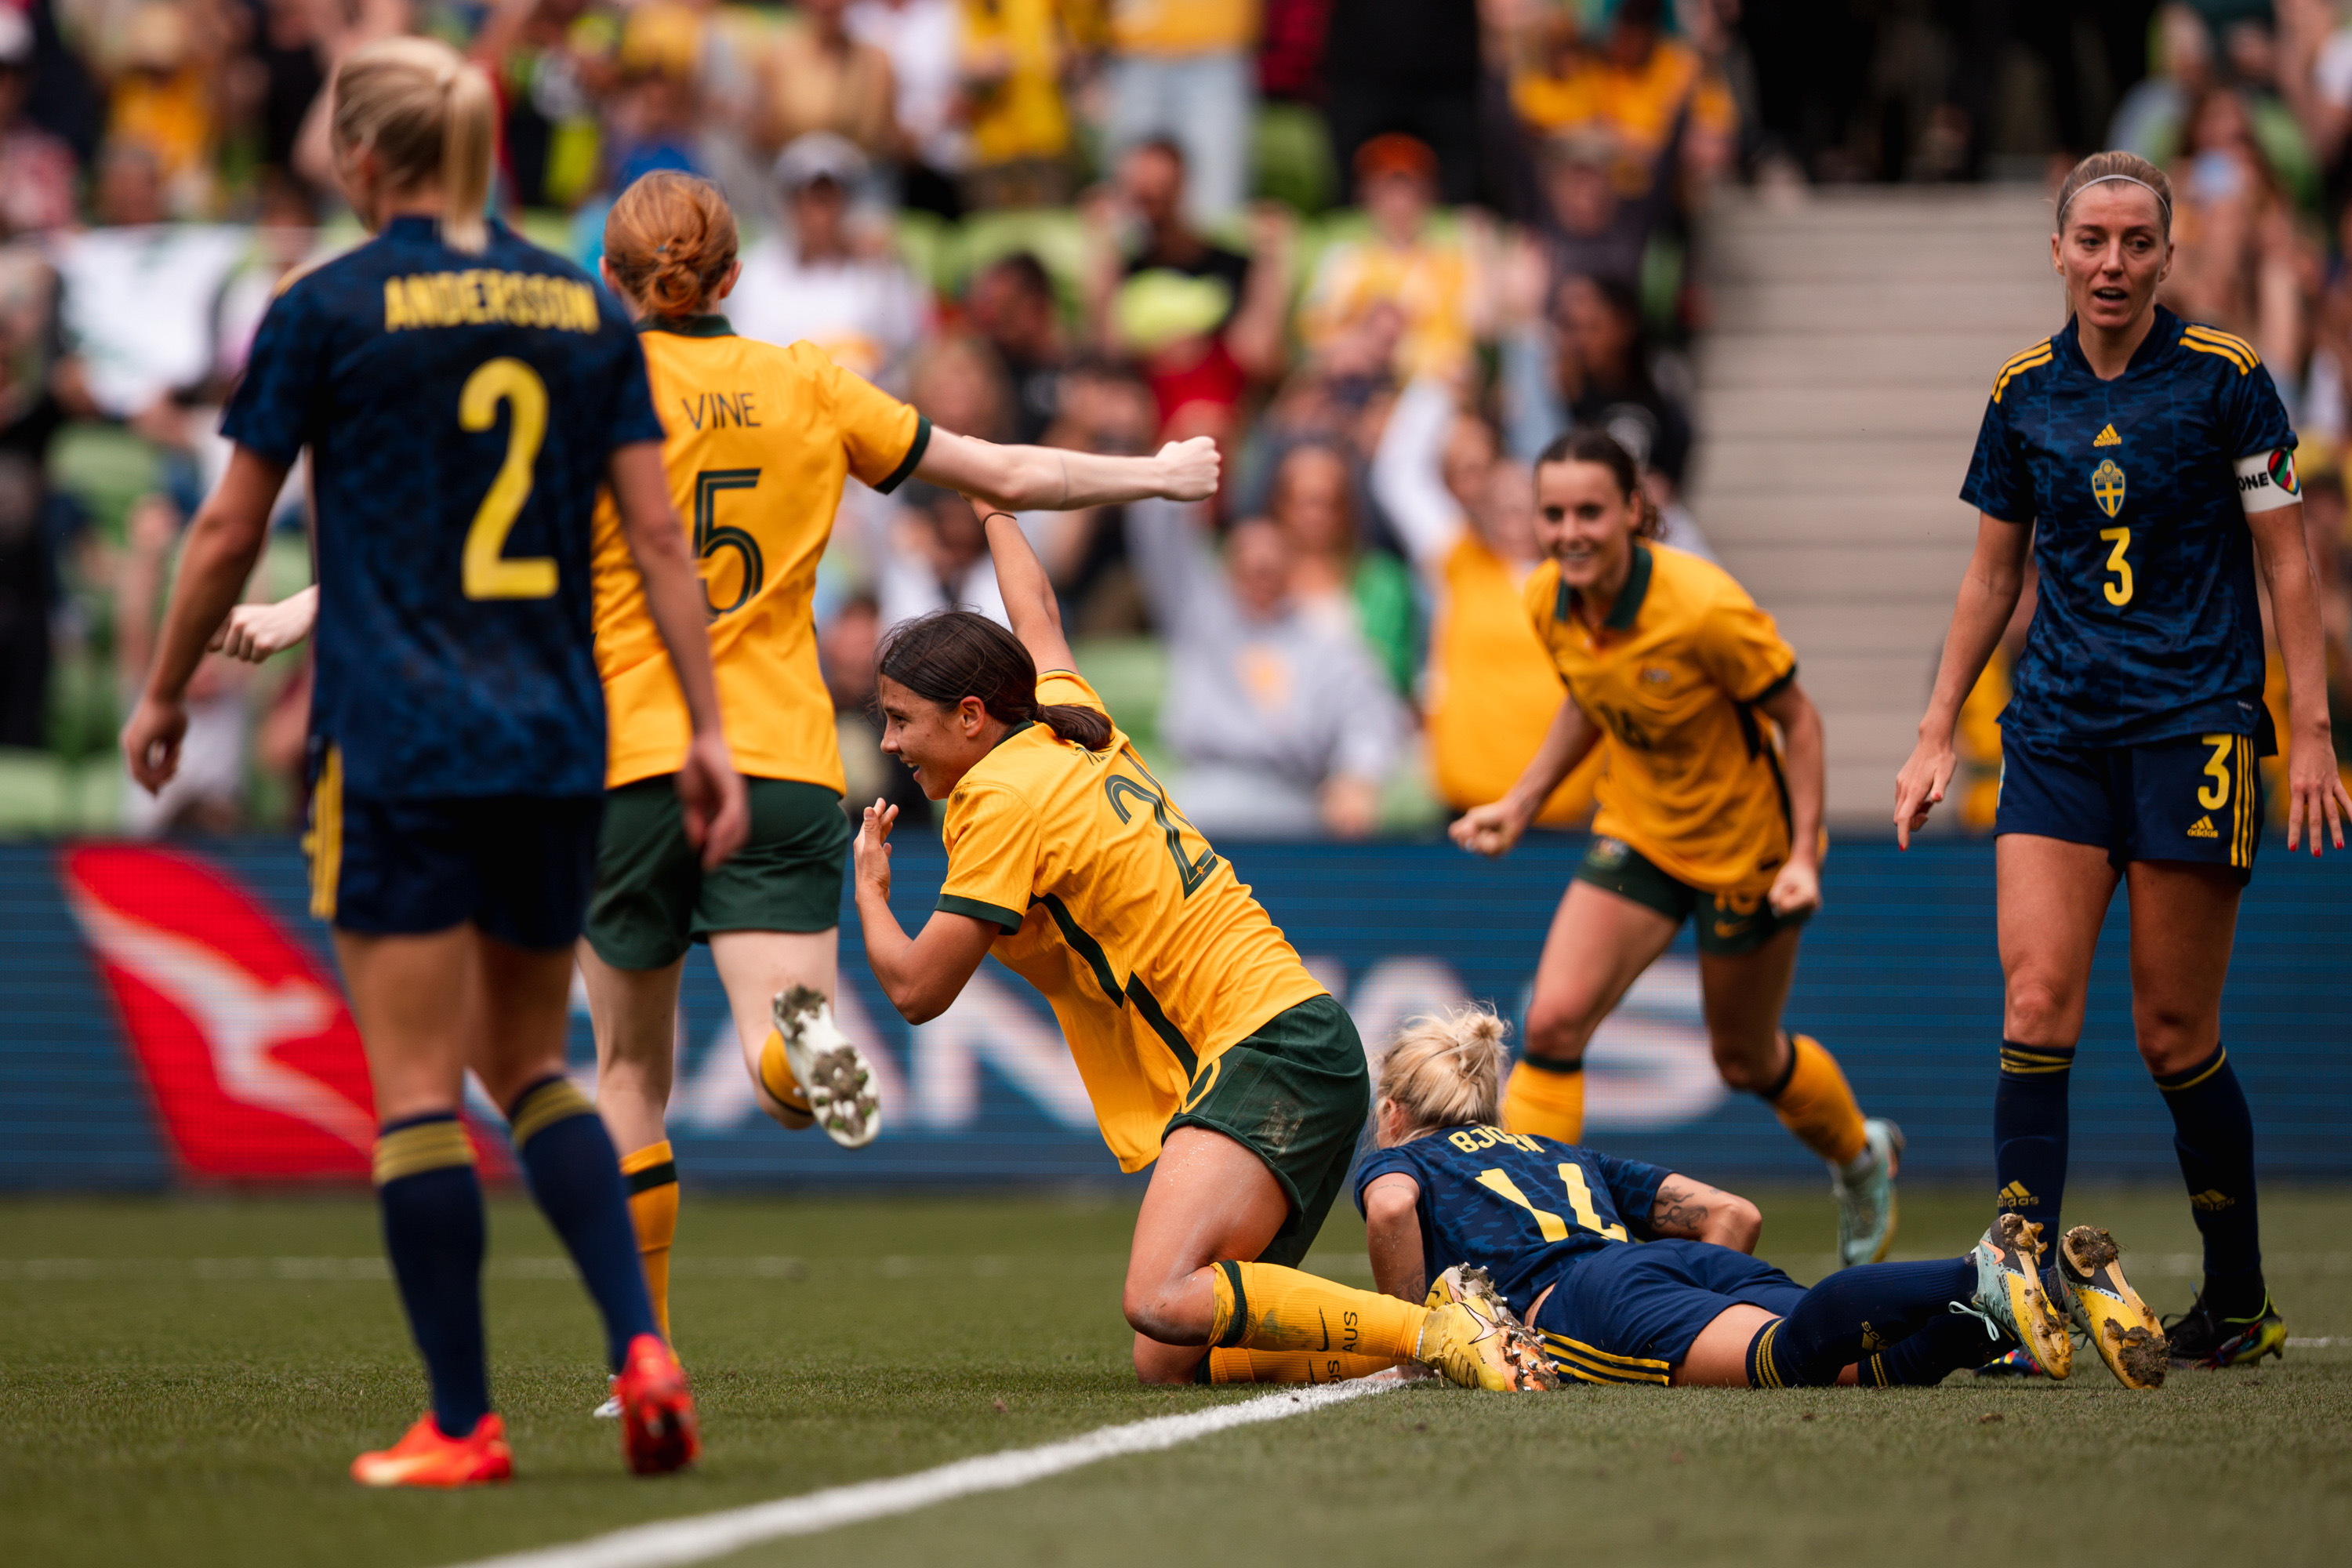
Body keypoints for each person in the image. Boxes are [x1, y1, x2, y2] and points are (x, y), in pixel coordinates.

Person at [121, 38, 748, 1486]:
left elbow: (227, 529)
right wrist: (706, 728)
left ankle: (465, 1424)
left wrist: (164, 688)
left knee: (417, 1086)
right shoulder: (581, 308)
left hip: (397, 737)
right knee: (536, 1062)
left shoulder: (325, 303)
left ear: (357, 161)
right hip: (554, 734)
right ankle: (642, 1350)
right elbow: (657, 538)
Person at [851, 504, 1549, 1391]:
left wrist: (872, 891)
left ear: (973, 716)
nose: (888, 741)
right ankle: (1463, 1337)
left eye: (902, 718)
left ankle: (1437, 1328)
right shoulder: (1065, 715)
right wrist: (991, 498)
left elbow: (917, 989)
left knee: (1162, 1296)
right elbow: (1037, 612)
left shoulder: (997, 796)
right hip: (1299, 1041)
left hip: (1268, 1052)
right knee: (1172, 1353)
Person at [1893, 151, 2352, 1377]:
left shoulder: (2229, 381)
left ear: (2166, 255)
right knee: (2036, 1003)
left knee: (2170, 1030)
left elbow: (2289, 561)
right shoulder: (2022, 393)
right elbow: (1995, 572)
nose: (2112, 262)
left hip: (2196, 727)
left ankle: (2240, 1301)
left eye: (2136, 242)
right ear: (2057, 252)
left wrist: (2307, 729)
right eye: (2090, 240)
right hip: (2052, 733)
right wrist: (1939, 727)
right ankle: (2019, 1284)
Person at [1452, 428, 1903, 1270]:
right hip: (1640, 832)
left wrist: (1805, 854)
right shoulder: (1547, 598)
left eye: (1590, 510)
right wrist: (1520, 803)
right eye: (1554, 514)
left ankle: (1859, 1155)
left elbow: (1798, 721)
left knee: (1746, 1056)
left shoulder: (1704, 607)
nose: (1569, 531)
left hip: (1747, 854)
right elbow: (1592, 698)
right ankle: (1536, 1246)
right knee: (1551, 1021)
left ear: (1634, 511)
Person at [1352, 1007, 2168, 1392]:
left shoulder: (1406, 1157)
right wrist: (1692, 1298)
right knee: (1861, 1369)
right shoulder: (1558, 1149)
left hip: (1584, 1300)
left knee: (1788, 1356)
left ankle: (1979, 1271)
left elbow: (1390, 1208)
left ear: (1393, 1111)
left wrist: (1417, 1339)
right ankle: (2004, 1310)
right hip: (1668, 1261)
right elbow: (1730, 1212)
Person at [1124, 497, 1406, 839]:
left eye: (1270, 568)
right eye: (1249, 566)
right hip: (1202, 799)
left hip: (1293, 806)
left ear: (1291, 570)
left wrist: (1358, 776)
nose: (1260, 577)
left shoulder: (1324, 645)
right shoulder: (1200, 618)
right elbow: (1158, 529)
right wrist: (1176, 478)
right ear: (1228, 568)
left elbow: (1371, 715)